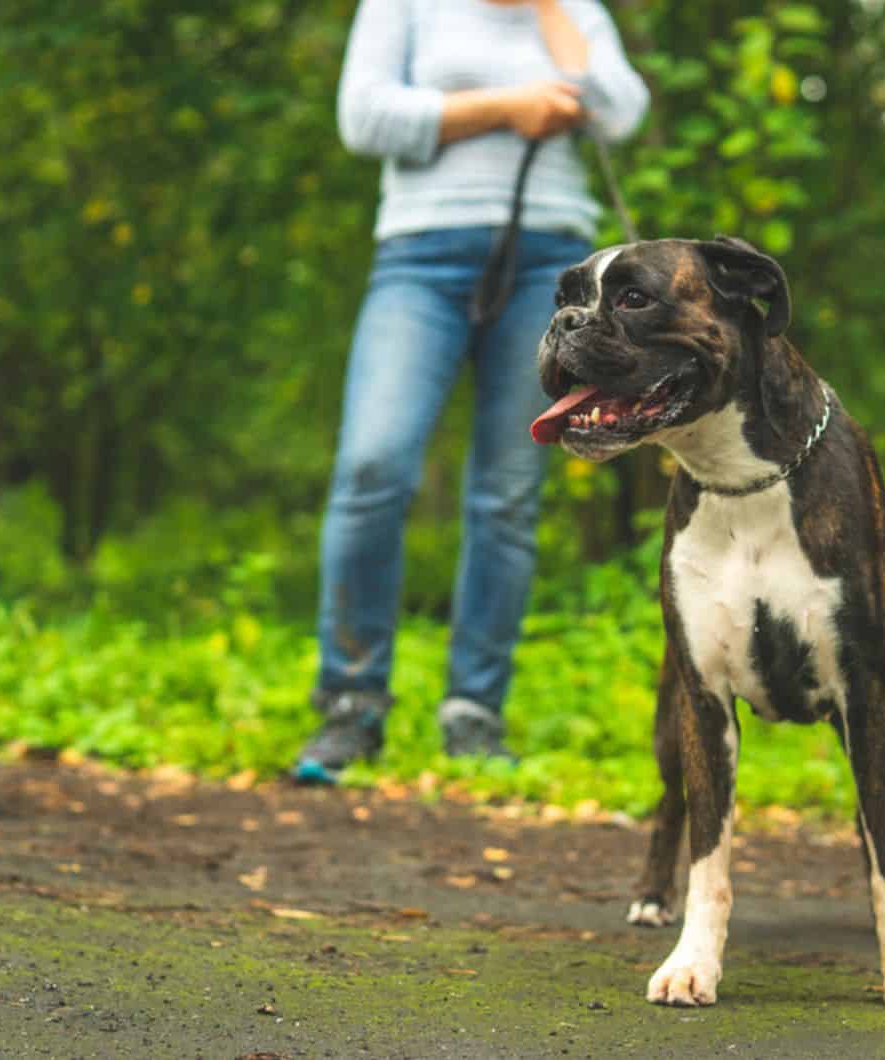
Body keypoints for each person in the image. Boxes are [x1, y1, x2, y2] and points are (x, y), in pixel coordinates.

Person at [292, 0, 649, 783]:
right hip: (419, 258)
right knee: (372, 468)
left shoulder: (574, 9)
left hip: (548, 264)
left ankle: (474, 713)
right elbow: (363, 117)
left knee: (509, 491)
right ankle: (351, 704)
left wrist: (554, 12)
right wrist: (504, 108)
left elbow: (620, 114)